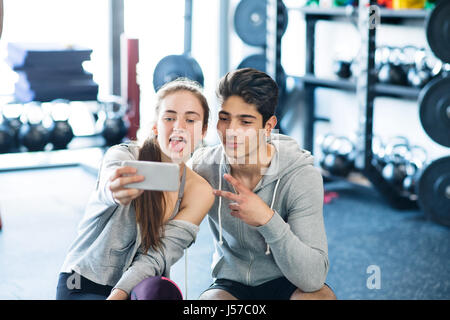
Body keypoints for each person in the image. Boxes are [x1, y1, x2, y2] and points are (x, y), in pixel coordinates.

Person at [56, 78, 214, 300]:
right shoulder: (123, 156)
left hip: (135, 287)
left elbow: (158, 256)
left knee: (161, 291)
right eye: (169, 118)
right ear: (155, 126)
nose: (179, 126)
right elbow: (109, 183)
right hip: (83, 280)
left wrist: (118, 295)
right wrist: (114, 190)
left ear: (203, 130)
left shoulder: (199, 191)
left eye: (190, 119)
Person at [189, 68, 336, 300]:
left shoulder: (301, 176)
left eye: (245, 122)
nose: (231, 132)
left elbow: (313, 276)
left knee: (320, 297)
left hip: (288, 279)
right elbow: (160, 202)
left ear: (268, 126)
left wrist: (267, 219)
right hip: (231, 283)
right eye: (224, 118)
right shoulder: (204, 167)